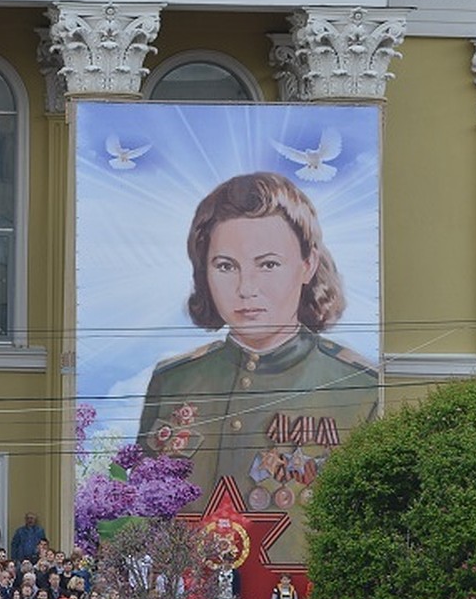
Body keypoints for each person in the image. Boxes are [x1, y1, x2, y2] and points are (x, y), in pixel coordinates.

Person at [137, 171, 378, 566]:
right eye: (226, 266)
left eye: (267, 265)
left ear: (307, 264)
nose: (246, 288)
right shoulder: (174, 381)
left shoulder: (358, 387)